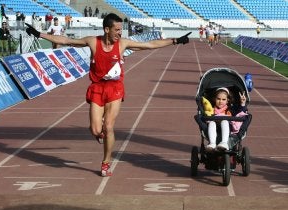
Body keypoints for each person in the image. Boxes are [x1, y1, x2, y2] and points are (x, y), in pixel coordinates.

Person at [25, 13, 191, 177]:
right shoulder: (93, 42)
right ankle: (101, 134)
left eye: (121, 29)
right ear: (106, 29)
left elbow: (150, 45)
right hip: (97, 88)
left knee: (109, 126)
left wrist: (175, 40)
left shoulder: (122, 44)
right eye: (117, 29)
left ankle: (106, 162)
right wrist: (39, 34)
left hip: (115, 88)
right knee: (96, 130)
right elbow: (67, 41)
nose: (120, 33)